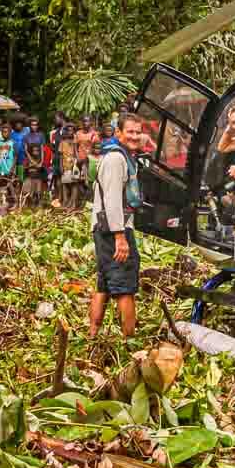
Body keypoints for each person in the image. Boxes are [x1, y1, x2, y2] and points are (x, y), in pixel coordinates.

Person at [89, 115, 144, 340]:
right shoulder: (115, 159)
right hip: (113, 230)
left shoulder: (124, 157)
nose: (134, 136)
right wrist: (120, 237)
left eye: (137, 132)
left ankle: (92, 334)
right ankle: (129, 343)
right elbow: (111, 200)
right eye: (129, 132)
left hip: (107, 229)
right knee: (125, 287)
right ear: (118, 133)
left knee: (103, 284)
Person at [22, 117, 46, 207]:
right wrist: (31, 161)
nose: (34, 126)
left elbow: (42, 150)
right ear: (29, 125)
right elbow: (26, 150)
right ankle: (31, 201)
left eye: (35, 125)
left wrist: (41, 162)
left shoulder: (41, 135)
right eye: (32, 125)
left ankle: (39, 200)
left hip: (39, 160)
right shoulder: (26, 137)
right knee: (31, 179)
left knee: (39, 179)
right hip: (30, 161)